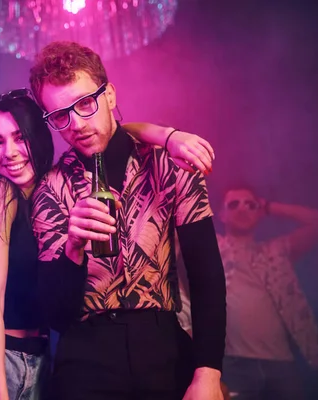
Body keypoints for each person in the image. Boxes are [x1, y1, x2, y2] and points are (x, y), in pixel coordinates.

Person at [0, 88, 218, 399]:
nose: (10, 152)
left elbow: (113, 133)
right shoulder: (0, 191)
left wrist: (168, 137)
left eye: (20, 137)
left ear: (38, 136)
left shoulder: (54, 185)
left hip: (37, 357)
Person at [29, 41, 227, 400]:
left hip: (163, 349)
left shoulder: (169, 162)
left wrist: (208, 372)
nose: (76, 124)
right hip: (84, 361)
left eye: (85, 103)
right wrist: (73, 247)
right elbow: (56, 317)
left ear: (109, 95)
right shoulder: (50, 189)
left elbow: (207, 277)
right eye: (60, 116)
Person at [217, 184, 318, 399]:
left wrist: (270, 207)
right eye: (234, 204)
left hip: (282, 365)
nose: (242, 209)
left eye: (250, 204)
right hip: (232, 364)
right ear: (222, 214)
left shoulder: (276, 251)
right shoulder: (212, 247)